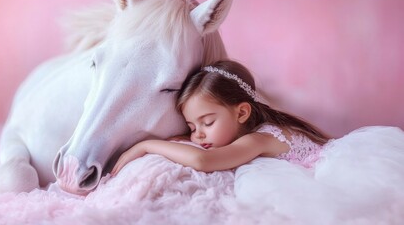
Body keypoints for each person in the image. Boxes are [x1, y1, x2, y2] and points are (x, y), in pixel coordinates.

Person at [111, 60, 332, 175]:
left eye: (207, 122)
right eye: (191, 126)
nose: (198, 134)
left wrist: (146, 145)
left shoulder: (257, 140)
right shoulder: (257, 131)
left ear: (242, 112)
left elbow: (202, 161)